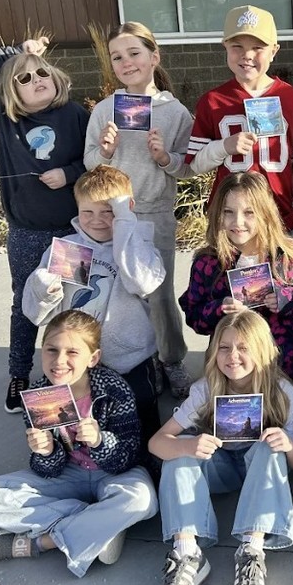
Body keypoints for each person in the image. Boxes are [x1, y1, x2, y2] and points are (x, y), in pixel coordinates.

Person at [0, 311, 157, 577]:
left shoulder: (114, 389)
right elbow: (49, 470)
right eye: (51, 350)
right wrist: (45, 451)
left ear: (93, 358)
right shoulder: (38, 395)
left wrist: (100, 440)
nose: (59, 361)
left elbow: (129, 456)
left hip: (114, 474)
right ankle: (96, 522)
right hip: (70, 475)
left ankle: (40, 542)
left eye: (72, 352)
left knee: (142, 500)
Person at [0, 36, 90, 413]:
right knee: (26, 304)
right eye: (24, 78)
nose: (36, 78)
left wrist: (68, 174)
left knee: (72, 302)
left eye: (41, 72)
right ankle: (19, 373)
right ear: (9, 92)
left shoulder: (75, 114)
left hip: (71, 232)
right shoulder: (6, 118)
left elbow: (94, 161)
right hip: (27, 233)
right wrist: (21, 50)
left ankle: (74, 370)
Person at [151, 311, 293, 585]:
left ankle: (252, 552)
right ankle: (187, 554)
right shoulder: (205, 389)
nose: (233, 356)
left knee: (269, 449)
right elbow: (157, 442)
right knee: (179, 451)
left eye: (244, 347)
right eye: (224, 347)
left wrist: (286, 445)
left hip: (258, 473)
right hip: (218, 467)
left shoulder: (283, 392)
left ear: (264, 351)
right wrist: (190, 444)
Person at [84, 21, 194, 399]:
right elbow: (88, 164)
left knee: (159, 294)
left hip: (154, 213)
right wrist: (106, 153)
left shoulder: (175, 112)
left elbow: (185, 165)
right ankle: (130, 361)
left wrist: (164, 156)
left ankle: (171, 359)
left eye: (134, 53)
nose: (126, 62)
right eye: (117, 56)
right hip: (111, 216)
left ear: (154, 57)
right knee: (118, 293)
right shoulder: (104, 110)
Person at [22, 165, 166, 444]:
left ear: (126, 209)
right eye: (87, 212)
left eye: (108, 211)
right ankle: (59, 460)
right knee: (64, 433)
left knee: (141, 425)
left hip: (129, 360)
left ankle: (146, 465)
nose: (97, 221)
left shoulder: (141, 246)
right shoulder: (68, 249)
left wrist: (125, 224)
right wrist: (45, 288)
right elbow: (38, 314)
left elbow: (142, 283)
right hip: (73, 360)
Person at [180, 172, 293, 396]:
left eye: (249, 213)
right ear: (217, 215)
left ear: (265, 213)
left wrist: (284, 298)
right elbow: (194, 316)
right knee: (230, 424)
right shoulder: (207, 262)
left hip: (279, 363)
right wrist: (220, 308)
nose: (238, 222)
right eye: (228, 212)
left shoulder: (285, 254)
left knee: (284, 420)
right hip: (230, 372)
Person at [184, 5, 293, 232]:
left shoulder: (291, 98)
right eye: (237, 47)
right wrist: (224, 146)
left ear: (274, 50)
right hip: (231, 221)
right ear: (225, 47)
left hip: (278, 215)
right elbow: (195, 165)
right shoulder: (212, 101)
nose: (247, 55)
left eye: (258, 47)